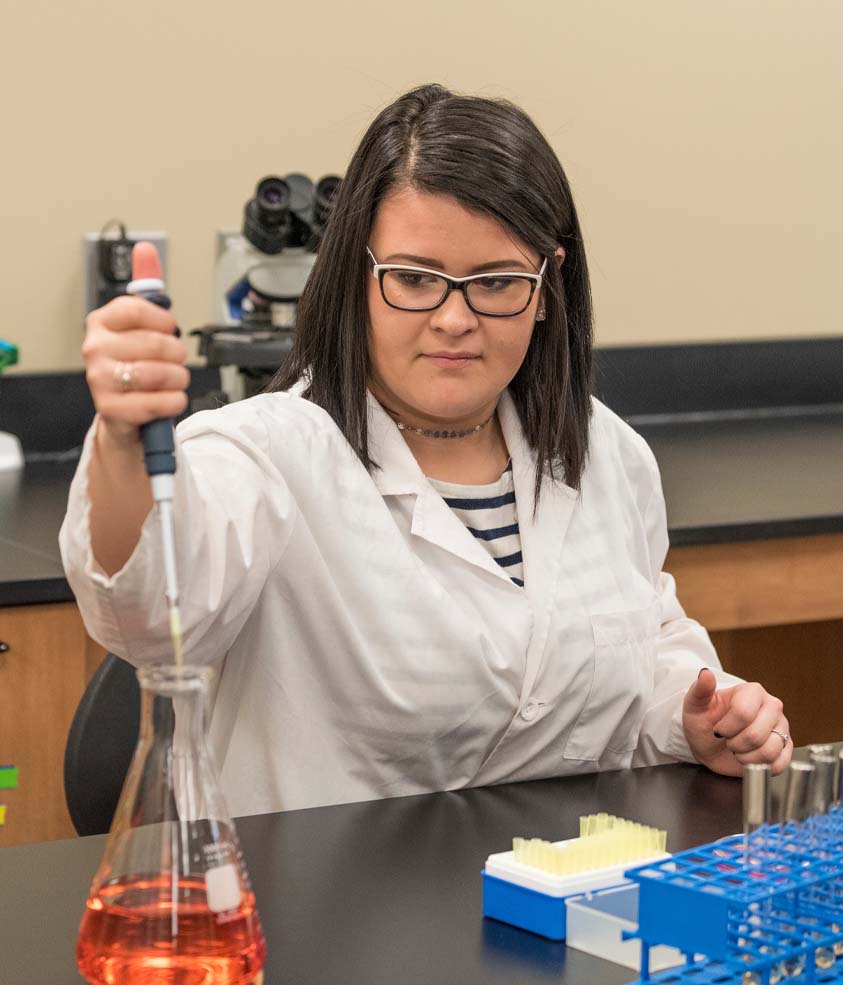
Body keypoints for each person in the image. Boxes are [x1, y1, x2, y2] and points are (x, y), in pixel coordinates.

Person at [61, 84, 791, 818]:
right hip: (323, 913)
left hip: (558, 901)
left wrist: (696, 717)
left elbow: (644, 642)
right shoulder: (268, 453)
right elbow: (150, 612)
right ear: (359, 278)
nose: (453, 318)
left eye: (496, 282)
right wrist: (125, 438)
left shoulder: (606, 454)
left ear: (547, 286)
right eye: (415, 278)